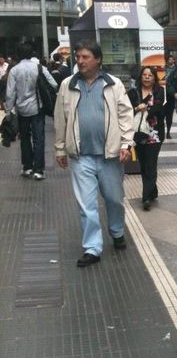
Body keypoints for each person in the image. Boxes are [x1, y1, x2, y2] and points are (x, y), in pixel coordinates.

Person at [54, 40, 133, 268]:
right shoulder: (68, 85)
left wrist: (126, 144)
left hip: (110, 156)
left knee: (114, 200)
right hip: (81, 157)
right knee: (86, 205)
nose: (80, 61)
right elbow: (61, 119)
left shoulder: (113, 84)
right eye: (78, 57)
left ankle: (117, 231)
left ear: (98, 59)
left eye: (85, 57)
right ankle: (92, 248)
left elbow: (125, 115)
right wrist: (60, 148)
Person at [5, 42, 57, 180]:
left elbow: (10, 93)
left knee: (24, 138)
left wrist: (8, 111)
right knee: (39, 139)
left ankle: (27, 167)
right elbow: (53, 84)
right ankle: (38, 170)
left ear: (18, 54)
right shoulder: (39, 68)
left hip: (21, 109)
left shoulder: (14, 70)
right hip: (37, 108)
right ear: (31, 53)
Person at [128, 66, 165, 210]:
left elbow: (159, 108)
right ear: (140, 77)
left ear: (154, 77)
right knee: (144, 165)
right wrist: (137, 108)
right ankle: (152, 191)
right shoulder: (133, 92)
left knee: (151, 164)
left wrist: (147, 110)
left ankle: (146, 198)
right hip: (139, 133)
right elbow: (127, 110)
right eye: (144, 75)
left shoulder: (159, 91)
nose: (147, 77)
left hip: (154, 134)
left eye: (150, 75)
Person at [163, 54, 176, 137]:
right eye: (169, 59)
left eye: (171, 59)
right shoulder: (163, 69)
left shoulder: (176, 69)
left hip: (171, 94)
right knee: (162, 114)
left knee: (169, 114)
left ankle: (168, 131)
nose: (170, 61)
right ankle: (162, 131)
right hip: (163, 92)